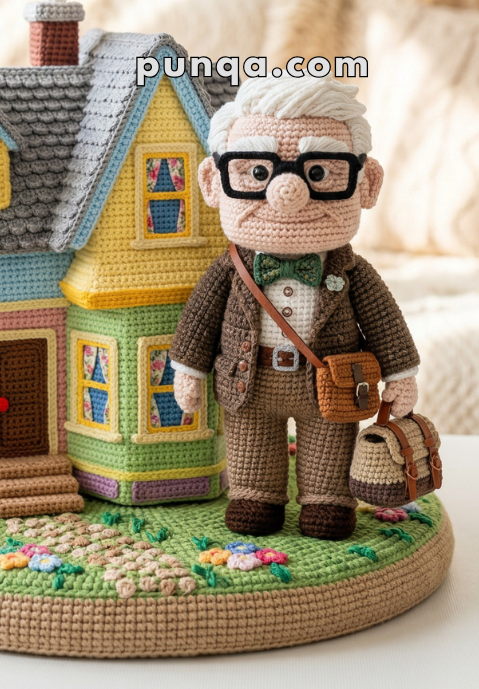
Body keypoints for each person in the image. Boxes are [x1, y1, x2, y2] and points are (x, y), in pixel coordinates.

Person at [169, 71, 419, 540]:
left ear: (366, 185)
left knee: (329, 453)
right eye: (256, 171)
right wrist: (189, 369)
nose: (288, 193)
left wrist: (401, 373)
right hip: (249, 383)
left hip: (332, 387)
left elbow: (386, 322)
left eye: (319, 172)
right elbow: (198, 322)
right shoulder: (229, 270)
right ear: (213, 181)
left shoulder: (351, 272)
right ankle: (254, 497)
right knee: (250, 452)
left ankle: (326, 501)